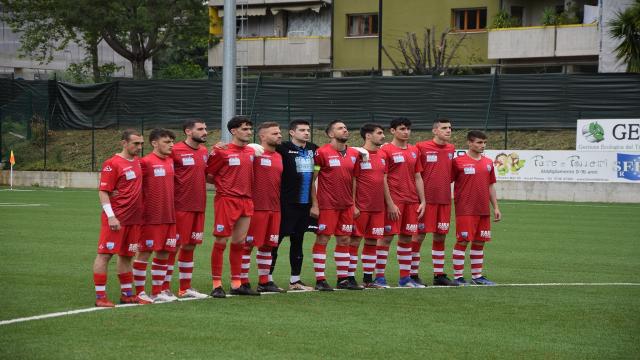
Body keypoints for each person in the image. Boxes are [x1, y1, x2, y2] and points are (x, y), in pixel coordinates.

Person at [206, 116, 259, 297]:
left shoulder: (251, 152)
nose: (249, 132)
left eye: (250, 129)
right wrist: (224, 185)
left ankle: (236, 284)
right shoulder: (221, 151)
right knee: (221, 241)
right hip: (227, 200)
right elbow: (209, 174)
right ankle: (216, 284)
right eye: (245, 129)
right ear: (233, 131)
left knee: (239, 243)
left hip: (247, 200)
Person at [93, 129, 146, 307]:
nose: (139, 147)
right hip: (117, 219)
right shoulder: (112, 163)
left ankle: (127, 294)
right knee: (105, 255)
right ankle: (100, 297)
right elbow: (103, 192)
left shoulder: (139, 163)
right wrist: (111, 217)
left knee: (126, 256)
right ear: (124, 143)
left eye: (141, 144)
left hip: (134, 220)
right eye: (135, 144)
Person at [310, 120, 363, 291]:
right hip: (327, 205)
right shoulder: (321, 153)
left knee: (345, 239)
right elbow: (313, 179)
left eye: (346, 128)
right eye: (340, 128)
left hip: (346, 206)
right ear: (331, 134)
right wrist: (315, 204)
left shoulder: (354, 154)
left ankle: (343, 279)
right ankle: (320, 279)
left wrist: (353, 204)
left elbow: (354, 180)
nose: (345, 130)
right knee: (323, 238)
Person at [163, 119, 210, 299]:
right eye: (200, 129)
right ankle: (164, 288)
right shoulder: (175, 151)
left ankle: (185, 288)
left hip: (199, 206)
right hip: (179, 207)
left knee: (190, 246)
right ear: (188, 132)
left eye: (205, 128)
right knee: (172, 247)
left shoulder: (204, 151)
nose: (205, 132)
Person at [377, 117, 426, 288]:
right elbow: (382, 178)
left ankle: (405, 279)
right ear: (393, 131)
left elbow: (418, 176)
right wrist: (389, 203)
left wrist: (423, 200)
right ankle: (379, 277)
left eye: (408, 129)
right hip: (394, 202)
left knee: (406, 238)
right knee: (386, 238)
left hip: (412, 201)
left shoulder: (414, 151)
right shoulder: (385, 150)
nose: (406, 132)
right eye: (402, 129)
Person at [271, 120, 318, 291]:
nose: (306, 133)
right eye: (302, 130)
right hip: (285, 203)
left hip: (305, 204)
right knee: (275, 241)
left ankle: (295, 281)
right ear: (292, 132)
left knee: (298, 241)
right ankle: (267, 279)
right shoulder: (282, 147)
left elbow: (317, 168)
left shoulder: (313, 148)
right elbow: (264, 149)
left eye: (308, 130)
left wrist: (315, 203)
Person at [133, 128, 179, 303]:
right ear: (154, 143)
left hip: (169, 216)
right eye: (167, 142)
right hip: (150, 217)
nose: (171, 145)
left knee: (164, 253)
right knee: (144, 253)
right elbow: (134, 187)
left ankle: (157, 291)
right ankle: (139, 292)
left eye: (172, 142)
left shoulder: (170, 161)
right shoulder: (145, 162)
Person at [240, 122, 286, 293]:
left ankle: (264, 281)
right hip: (255, 208)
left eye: (279, 132)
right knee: (247, 245)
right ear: (262, 137)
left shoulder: (279, 156)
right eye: (274, 133)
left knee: (268, 245)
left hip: (274, 208)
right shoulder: (253, 154)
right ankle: (242, 282)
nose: (279, 135)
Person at [451, 130, 502, 286]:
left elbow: (490, 186)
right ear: (469, 143)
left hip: (483, 209)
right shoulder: (458, 161)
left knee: (480, 242)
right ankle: (458, 277)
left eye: (484, 143)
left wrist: (496, 207)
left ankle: (477, 276)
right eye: (479, 142)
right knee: (463, 240)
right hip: (465, 209)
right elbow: (448, 181)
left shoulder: (488, 162)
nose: (483, 146)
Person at [415, 118, 458, 286]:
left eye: (450, 128)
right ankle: (412, 274)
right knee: (418, 236)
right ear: (435, 131)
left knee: (440, 236)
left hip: (444, 199)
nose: (448, 131)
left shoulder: (451, 148)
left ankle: (439, 275)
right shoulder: (421, 147)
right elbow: (415, 173)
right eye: (444, 128)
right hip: (425, 200)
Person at [350, 123, 388, 289]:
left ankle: (367, 278)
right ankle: (349, 277)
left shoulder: (382, 155)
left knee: (372, 241)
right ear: (368, 136)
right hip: (361, 207)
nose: (383, 136)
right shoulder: (357, 155)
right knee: (355, 241)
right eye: (379, 133)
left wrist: (389, 204)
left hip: (378, 207)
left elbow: (383, 180)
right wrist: (353, 204)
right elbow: (353, 181)